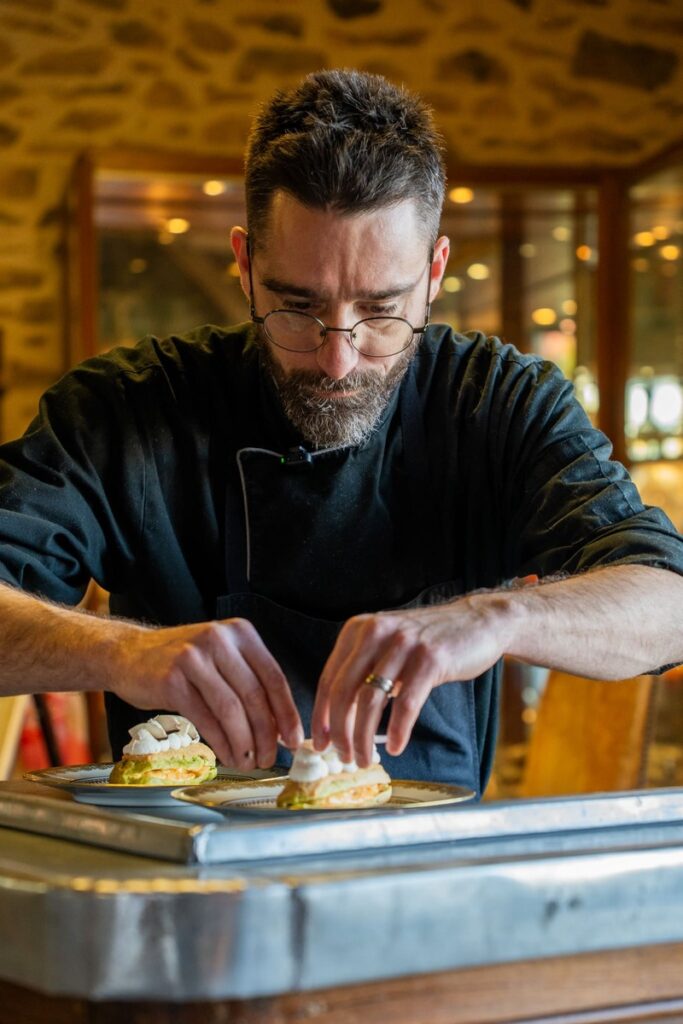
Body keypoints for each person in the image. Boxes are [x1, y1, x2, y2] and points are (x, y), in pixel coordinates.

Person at [1, 69, 682, 797]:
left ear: (434, 272)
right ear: (245, 265)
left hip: (424, 855)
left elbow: (667, 602)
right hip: (185, 862)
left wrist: (495, 618)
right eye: (297, 308)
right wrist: (119, 651)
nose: (338, 358)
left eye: (381, 310)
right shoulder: (122, 406)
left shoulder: (498, 401)